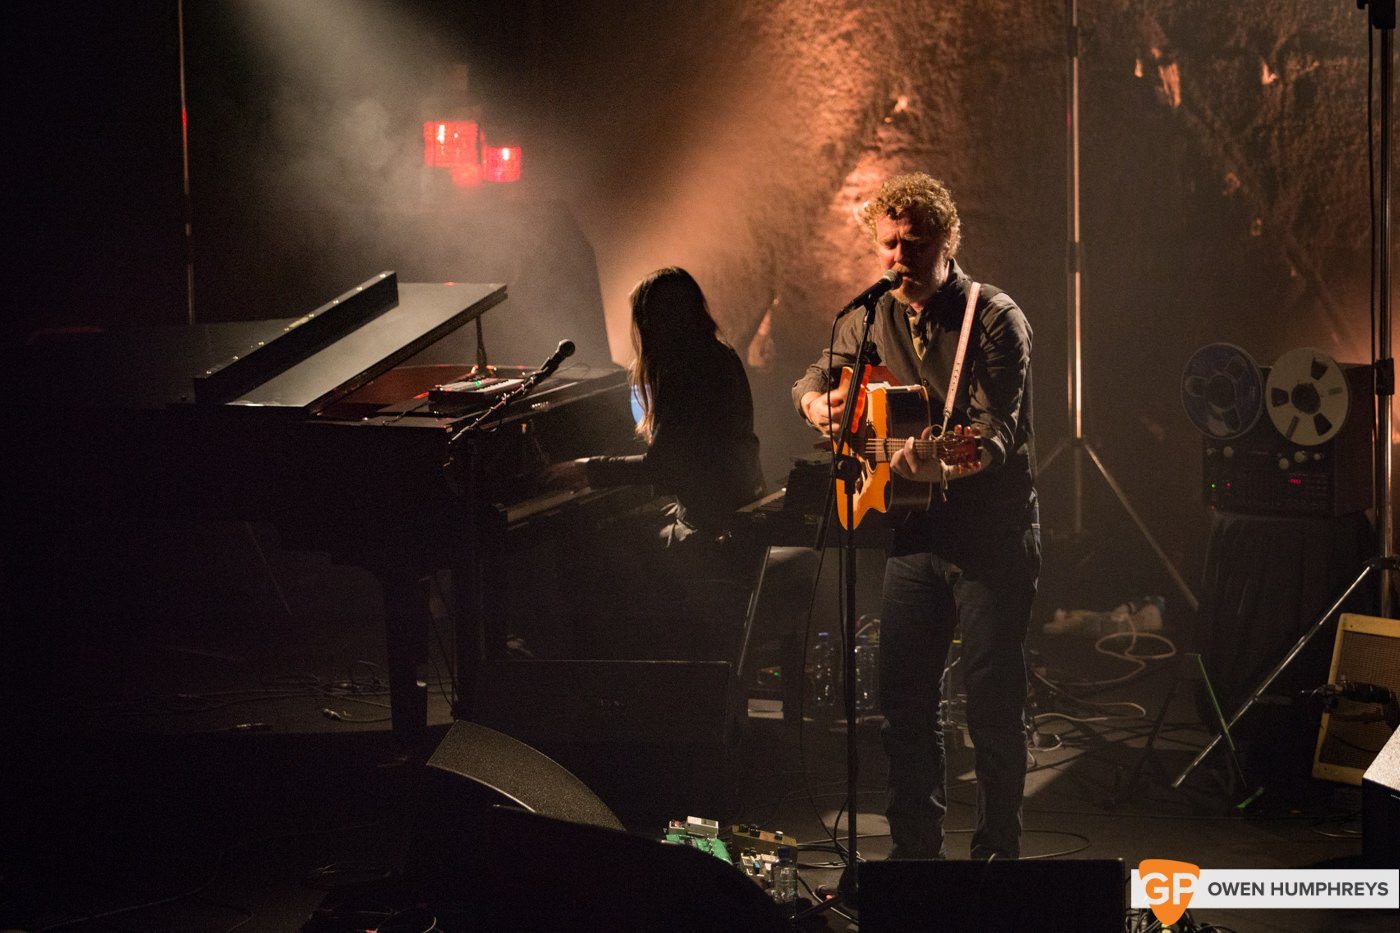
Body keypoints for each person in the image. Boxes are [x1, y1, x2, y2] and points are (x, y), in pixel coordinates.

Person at [792, 173, 1039, 860]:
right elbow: (812, 377)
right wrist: (817, 405)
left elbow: (993, 433)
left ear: (947, 241)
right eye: (888, 245)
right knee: (904, 702)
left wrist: (941, 462)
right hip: (912, 535)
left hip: (991, 534)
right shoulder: (869, 315)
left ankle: (998, 854)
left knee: (990, 702)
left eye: (914, 244)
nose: (898, 258)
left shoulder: (994, 318)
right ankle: (915, 854)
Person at [547, 266, 765, 542]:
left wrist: (589, 469)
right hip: (736, 504)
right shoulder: (722, 355)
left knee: (601, 547)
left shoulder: (685, 372)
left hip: (710, 525)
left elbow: (663, 466)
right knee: (623, 530)